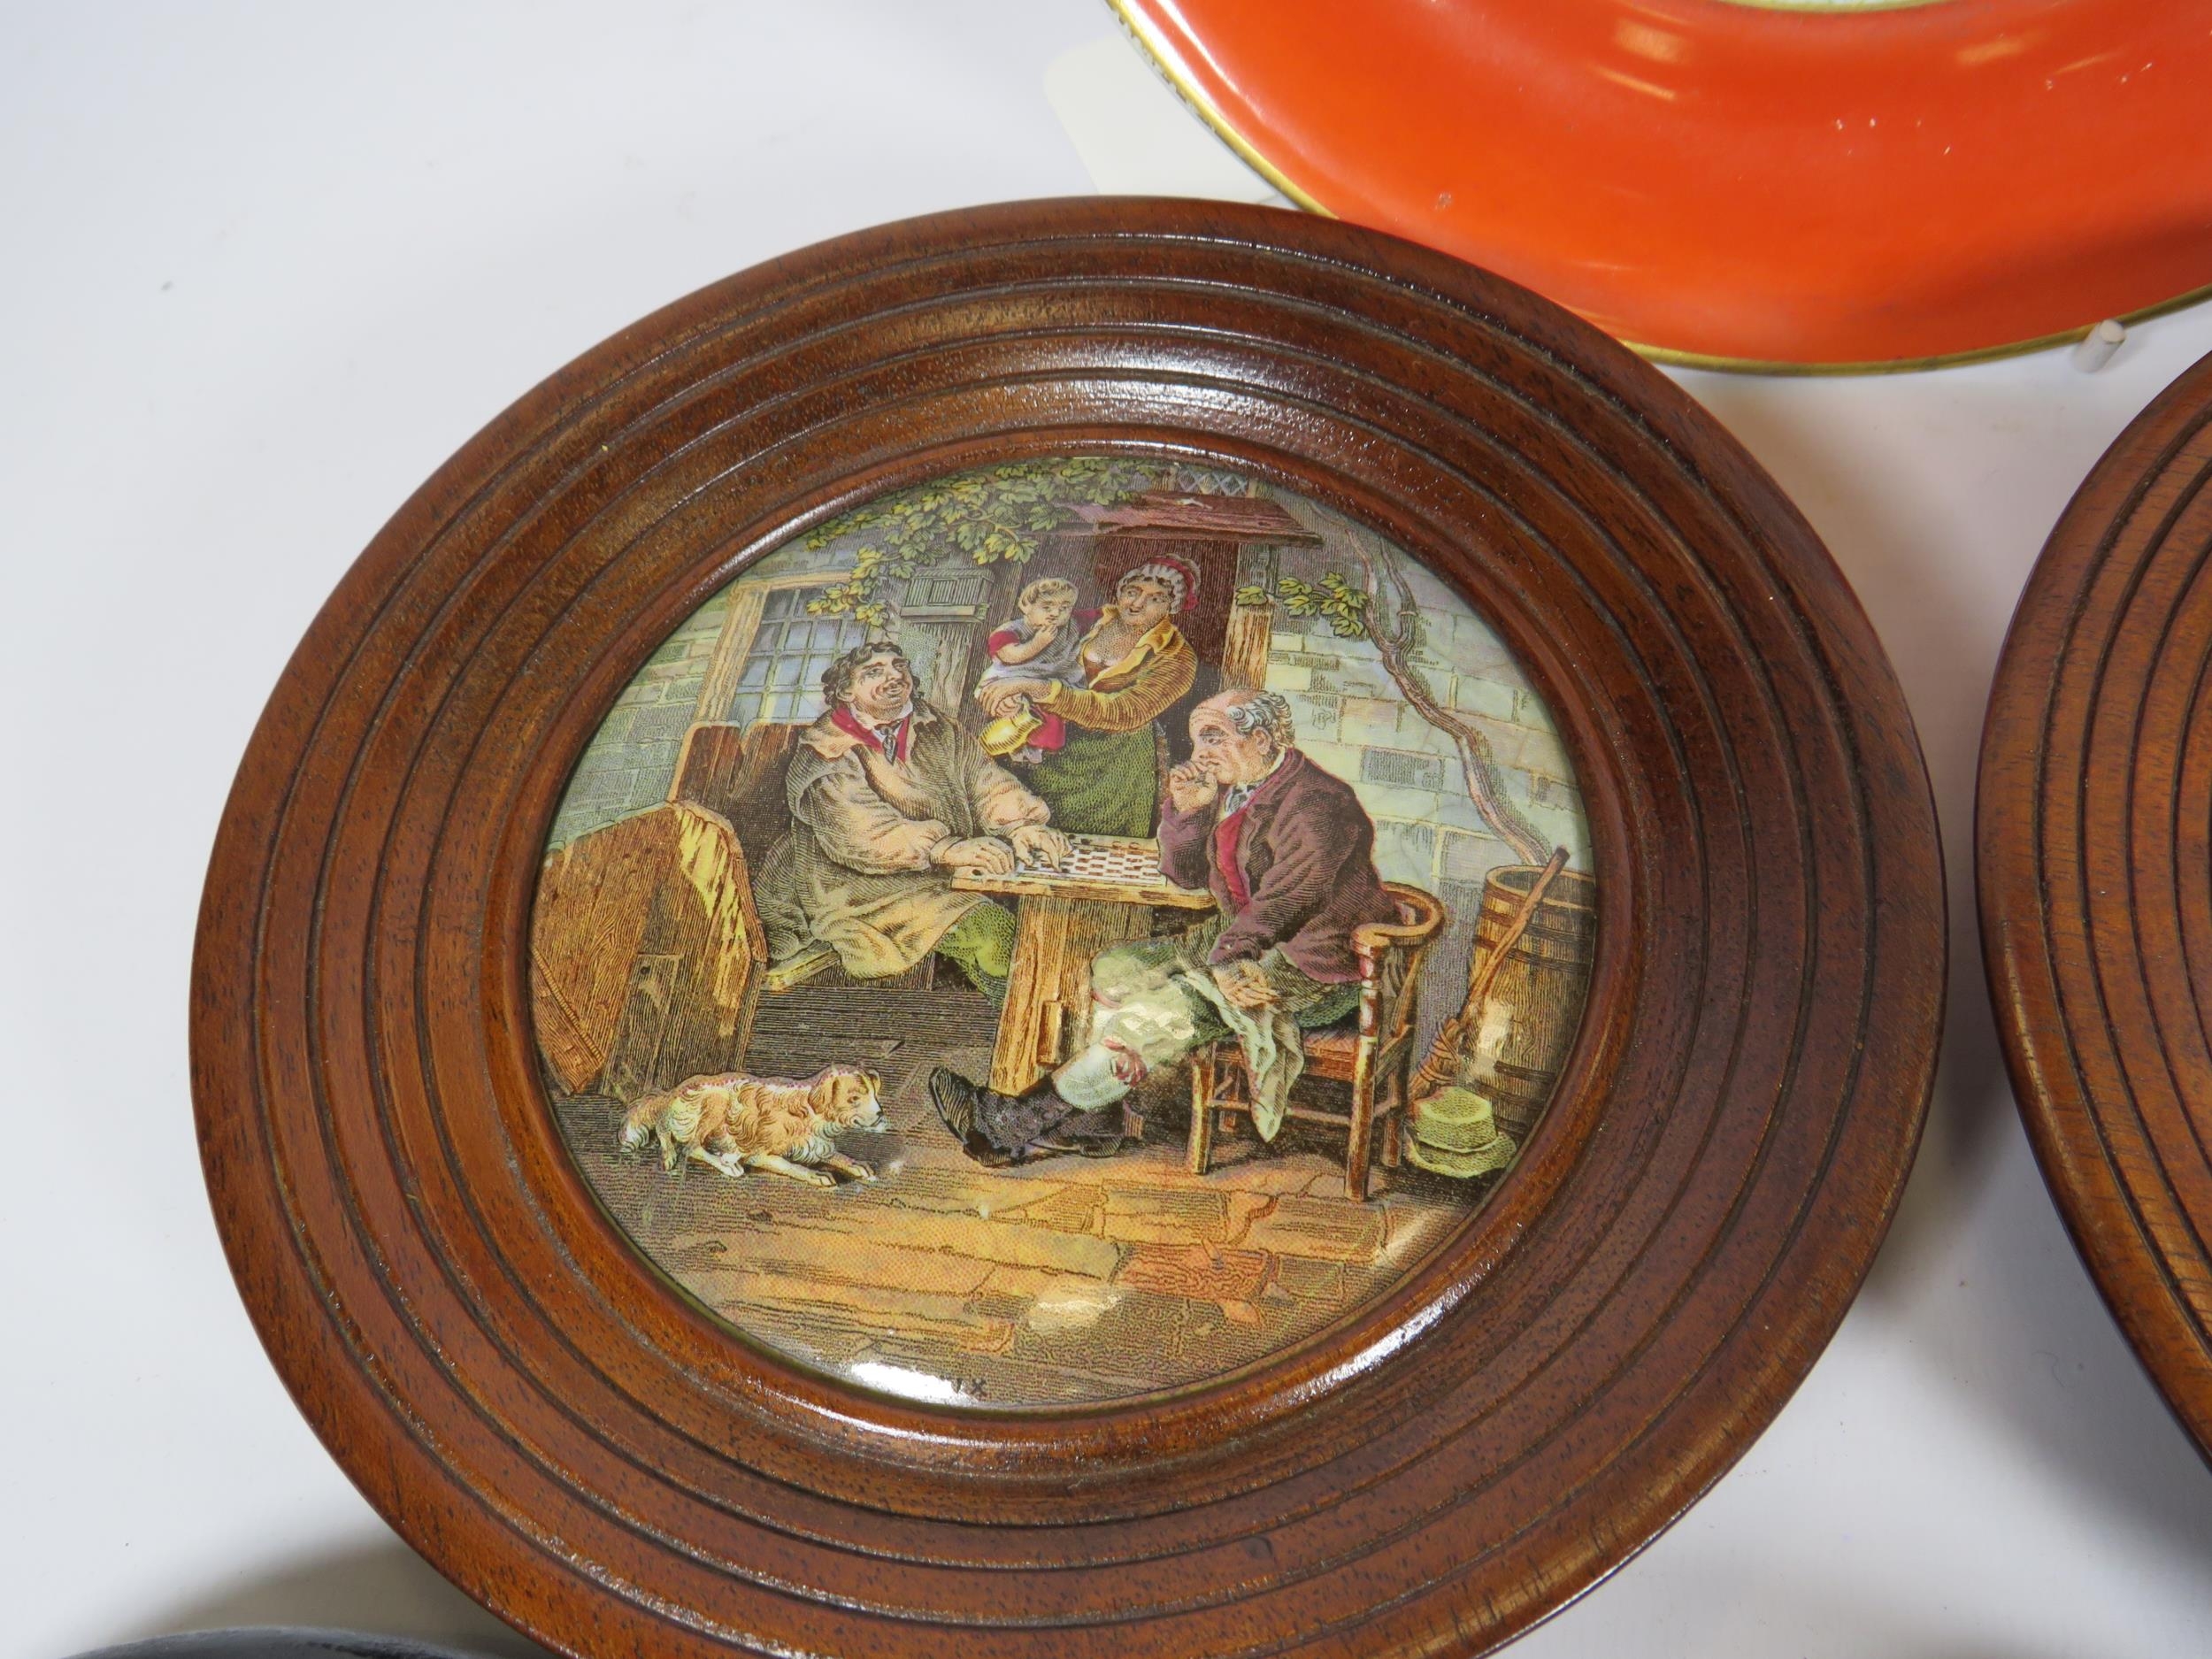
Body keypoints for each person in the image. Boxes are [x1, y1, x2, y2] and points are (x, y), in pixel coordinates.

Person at [928, 687, 1399, 1162]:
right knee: (1116, 968)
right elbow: (1186, 874)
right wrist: (1190, 812)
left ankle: (1010, 1125)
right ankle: (1094, 1120)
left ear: (1261, 739)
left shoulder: (1319, 802)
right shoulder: (1235, 788)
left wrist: (1231, 959)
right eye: (1197, 741)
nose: (1201, 754)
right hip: (1239, 940)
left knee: (1158, 1014)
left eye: (1214, 738)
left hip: (1314, 965)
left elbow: (1290, 898)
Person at [752, 641, 1070, 1004]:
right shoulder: (827, 749)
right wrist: (944, 848)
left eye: (898, 666)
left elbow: (983, 778)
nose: (893, 677)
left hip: (937, 875)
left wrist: (1020, 825)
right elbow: (860, 831)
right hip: (860, 891)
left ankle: (1025, 1017)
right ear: (846, 691)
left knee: (1041, 925)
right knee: (994, 933)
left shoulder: (934, 726)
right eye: (874, 673)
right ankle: (1019, 1020)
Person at [974, 560, 1198, 837]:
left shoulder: (1176, 656)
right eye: (1132, 592)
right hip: (1050, 750)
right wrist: (1011, 695)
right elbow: (1029, 654)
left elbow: (1127, 711)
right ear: (1120, 591)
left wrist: (1039, 689)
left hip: (1115, 765)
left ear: (1172, 606)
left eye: (1156, 599)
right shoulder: (1089, 621)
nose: (1137, 604)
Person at [976, 576, 1083, 763]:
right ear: (1026, 606)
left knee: (1050, 718)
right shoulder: (1013, 629)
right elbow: (1010, 655)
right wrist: (1037, 644)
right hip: (1008, 678)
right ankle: (1009, 746)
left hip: (1044, 681)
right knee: (1010, 709)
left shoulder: (1068, 628)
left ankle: (1035, 750)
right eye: (1047, 607)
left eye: (1064, 608)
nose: (1055, 613)